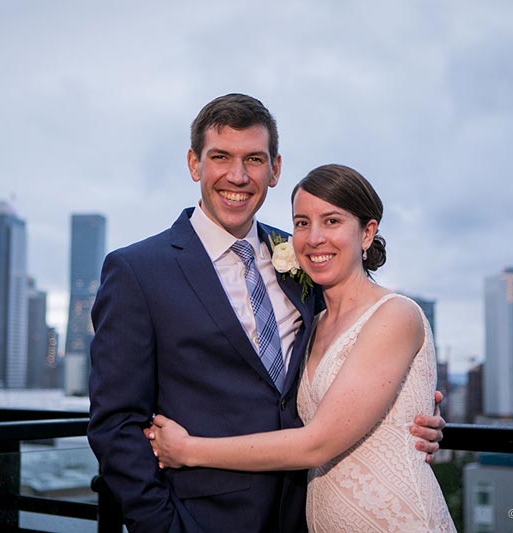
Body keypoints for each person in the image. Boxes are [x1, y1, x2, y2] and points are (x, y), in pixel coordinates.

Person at [87, 94, 445, 533]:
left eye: (254, 159)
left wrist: (407, 413)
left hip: (302, 514)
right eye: (220, 156)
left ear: (274, 169)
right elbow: (115, 424)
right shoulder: (138, 271)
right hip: (201, 520)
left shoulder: (302, 256)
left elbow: (351, 355)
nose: (237, 176)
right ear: (194, 164)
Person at [147, 164, 457, 532]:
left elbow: (317, 443)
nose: (313, 239)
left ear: (367, 233)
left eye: (331, 221)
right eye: (301, 223)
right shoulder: (311, 320)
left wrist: (188, 450)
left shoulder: (396, 314)